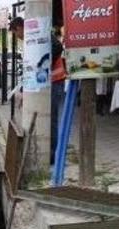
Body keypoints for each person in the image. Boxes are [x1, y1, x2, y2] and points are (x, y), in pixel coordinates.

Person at [50, 27, 66, 164]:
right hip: (52, 81)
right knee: (51, 119)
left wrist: (47, 64)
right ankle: (53, 152)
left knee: (52, 119)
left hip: (55, 80)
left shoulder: (44, 36)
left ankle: (53, 154)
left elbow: (58, 46)